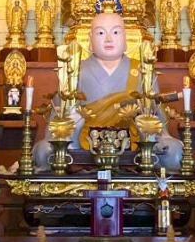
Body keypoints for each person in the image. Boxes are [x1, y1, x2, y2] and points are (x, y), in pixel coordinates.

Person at [32, 11, 183, 170]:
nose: (109, 39)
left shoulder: (143, 70)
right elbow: (56, 123)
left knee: (175, 152)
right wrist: (70, 126)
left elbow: (158, 124)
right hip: (83, 145)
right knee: (43, 151)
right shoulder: (73, 71)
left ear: (125, 40)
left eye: (116, 32)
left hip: (134, 145)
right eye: (101, 33)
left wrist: (149, 130)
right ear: (90, 40)